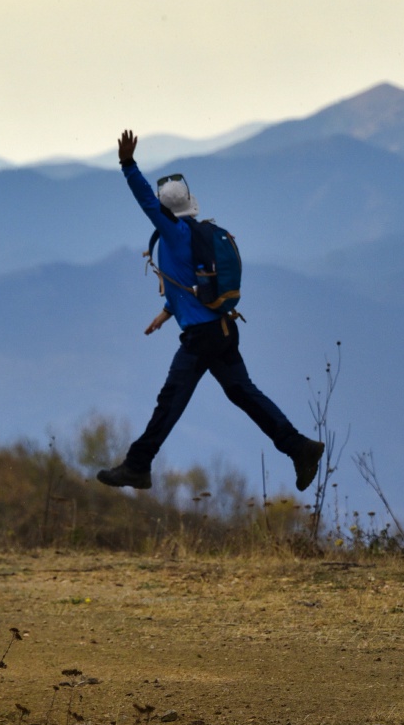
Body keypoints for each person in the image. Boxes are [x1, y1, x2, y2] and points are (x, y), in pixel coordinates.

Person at [96, 129, 325, 493]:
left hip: (201, 339)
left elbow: (146, 201)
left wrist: (128, 164)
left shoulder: (173, 232)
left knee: (170, 401)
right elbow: (190, 283)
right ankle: (300, 447)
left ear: (167, 210)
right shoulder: (195, 234)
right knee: (243, 393)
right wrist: (167, 312)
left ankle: (137, 466)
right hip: (222, 328)